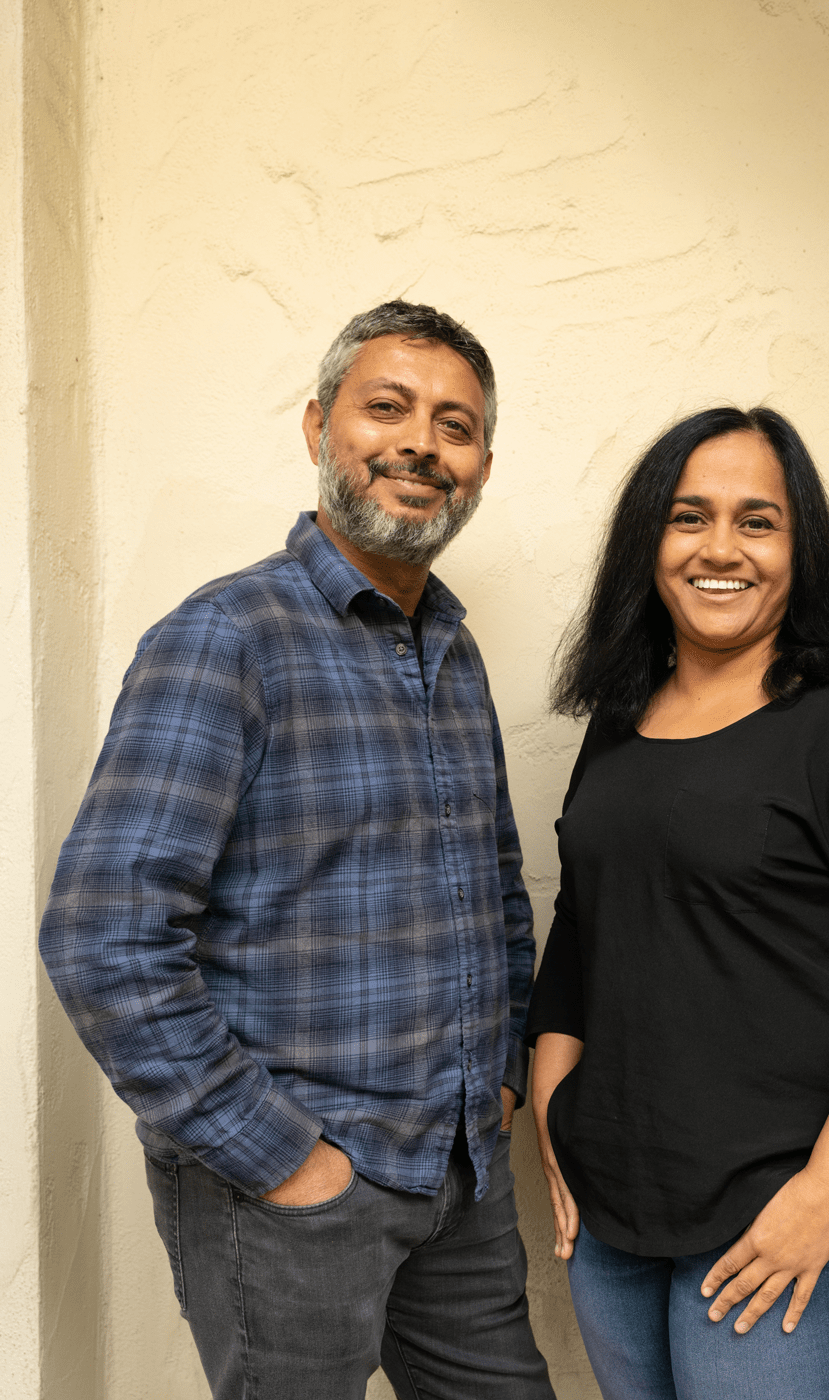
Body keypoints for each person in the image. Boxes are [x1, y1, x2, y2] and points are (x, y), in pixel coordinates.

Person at [39, 301, 554, 1400]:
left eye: (454, 425)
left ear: (482, 467)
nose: (421, 441)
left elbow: (496, 895)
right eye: (388, 407)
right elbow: (103, 938)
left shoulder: (451, 656)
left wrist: (497, 1082)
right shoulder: (226, 638)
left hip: (457, 1173)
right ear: (319, 427)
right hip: (292, 1193)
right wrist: (286, 1159)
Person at [524, 406, 829, 1400]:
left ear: (797, 546)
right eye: (688, 517)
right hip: (613, 1211)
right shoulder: (618, 723)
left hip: (779, 1215)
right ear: (648, 541)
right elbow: (583, 925)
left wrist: (826, 1194)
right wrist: (554, 1117)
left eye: (756, 520)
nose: (719, 547)